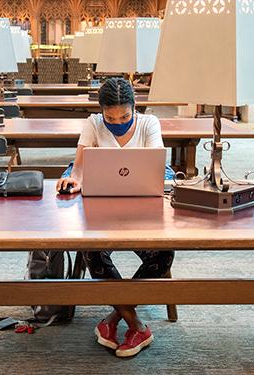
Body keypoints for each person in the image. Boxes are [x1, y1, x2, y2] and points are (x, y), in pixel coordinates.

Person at [56, 77, 175, 358]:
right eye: (110, 117)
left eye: (124, 115)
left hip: (143, 215)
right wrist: (72, 181)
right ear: (101, 112)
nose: (117, 121)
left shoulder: (149, 124)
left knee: (164, 255)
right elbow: (80, 167)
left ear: (135, 108)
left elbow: (159, 169)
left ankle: (113, 319)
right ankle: (135, 324)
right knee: (92, 252)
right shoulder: (94, 123)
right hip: (102, 214)